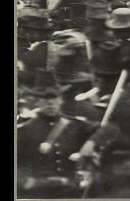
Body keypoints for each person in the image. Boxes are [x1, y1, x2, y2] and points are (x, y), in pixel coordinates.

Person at [17, 69, 104, 199]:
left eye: (54, 98)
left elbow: (110, 128)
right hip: (38, 194)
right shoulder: (24, 130)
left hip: (70, 192)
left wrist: (91, 142)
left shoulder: (75, 125)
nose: (50, 103)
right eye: (45, 98)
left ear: (61, 100)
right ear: (37, 101)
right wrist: (24, 181)